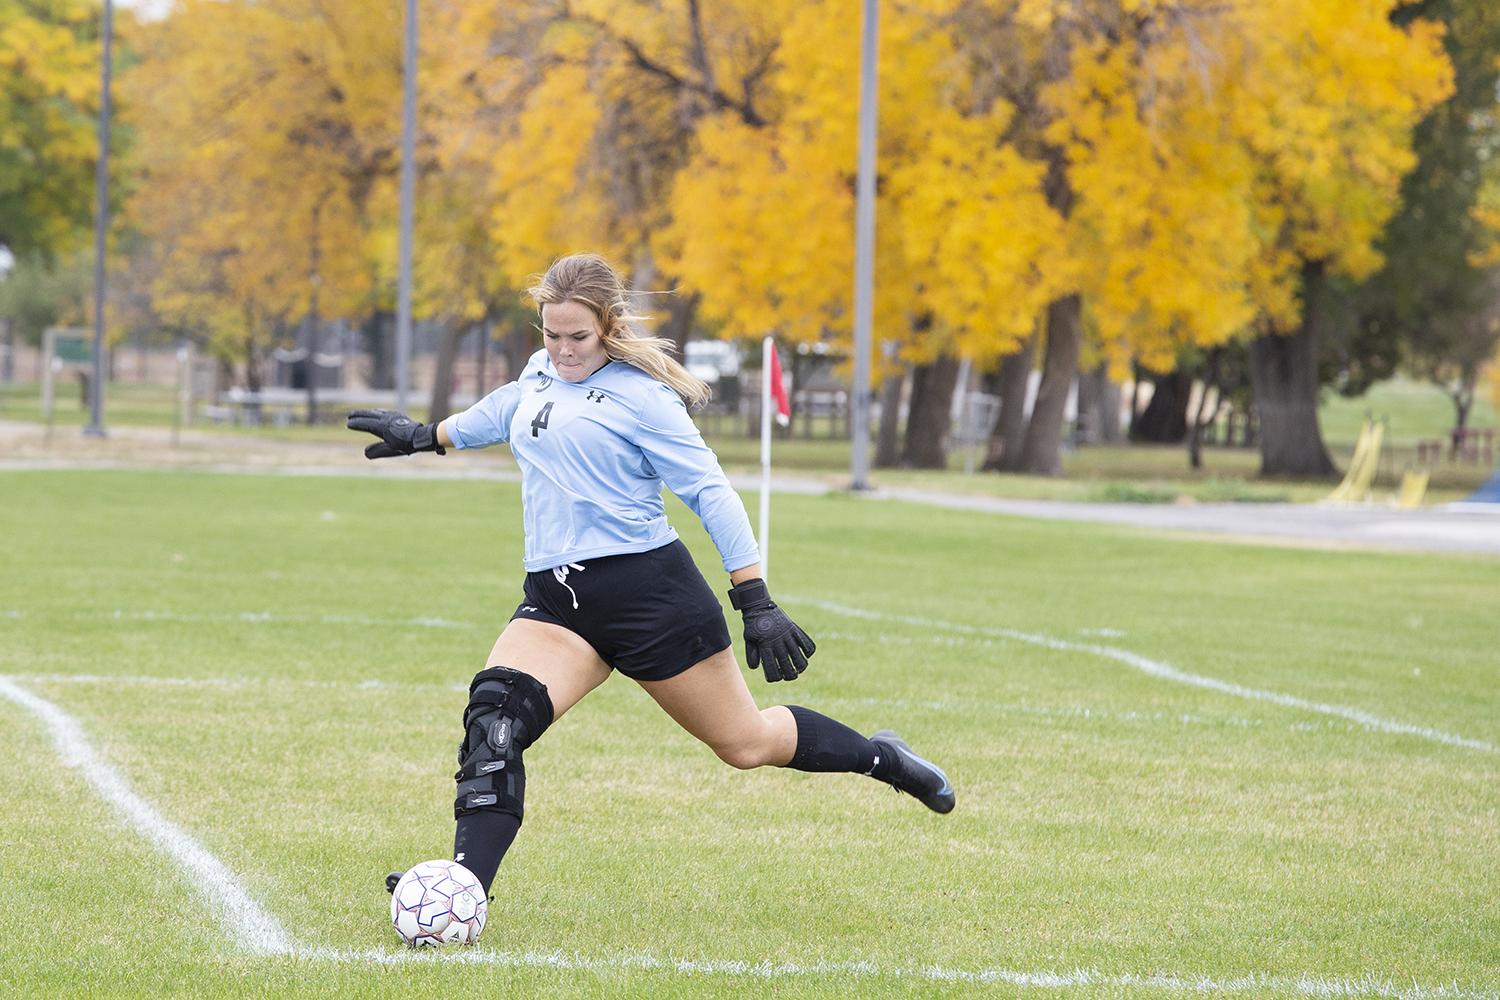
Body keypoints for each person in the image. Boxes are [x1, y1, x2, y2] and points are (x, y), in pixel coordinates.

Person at [349, 253, 953, 898]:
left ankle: (883, 757)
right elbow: (510, 409)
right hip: (558, 600)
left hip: (651, 599)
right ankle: (463, 888)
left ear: (607, 326)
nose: (561, 349)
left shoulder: (644, 398)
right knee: (494, 725)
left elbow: (710, 492)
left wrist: (753, 596)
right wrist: (427, 435)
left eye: (576, 336)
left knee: (746, 744)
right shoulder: (540, 372)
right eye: (551, 334)